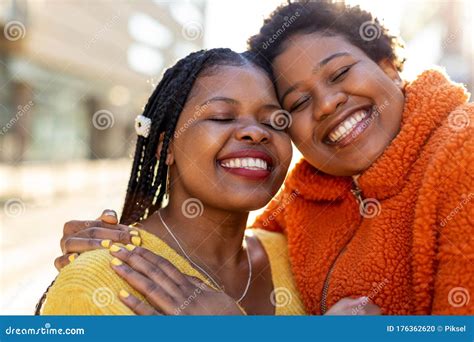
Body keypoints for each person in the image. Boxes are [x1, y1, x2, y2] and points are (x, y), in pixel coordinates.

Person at [37, 48, 378, 316]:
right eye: (222, 117)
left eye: (274, 121)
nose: (255, 132)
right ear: (165, 145)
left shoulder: (297, 255)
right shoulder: (98, 281)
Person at [246, 1, 474, 314]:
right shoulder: (303, 193)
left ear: (388, 67)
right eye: (298, 103)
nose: (326, 104)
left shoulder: (464, 150)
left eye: (339, 73)